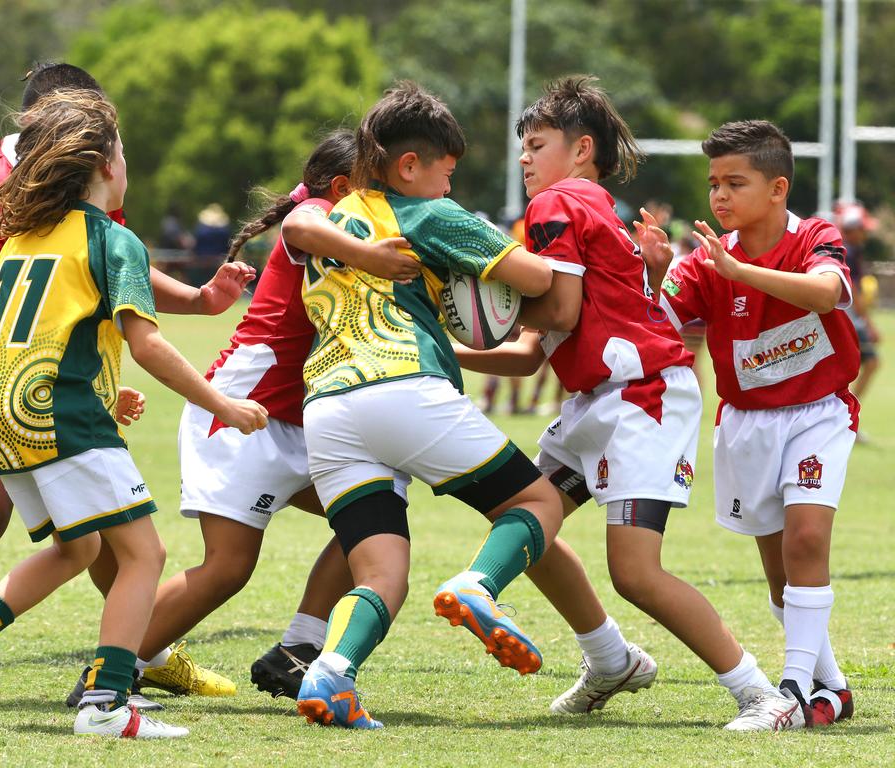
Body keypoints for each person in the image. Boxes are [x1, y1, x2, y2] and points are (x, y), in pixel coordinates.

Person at [0, 63, 239, 715]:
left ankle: (133, 651)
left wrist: (198, 301)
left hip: (39, 374)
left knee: (89, 535)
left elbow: (103, 266)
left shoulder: (64, 192)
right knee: (2, 514)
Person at [458, 77, 801, 731]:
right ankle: (608, 658)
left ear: (581, 149)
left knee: (636, 573)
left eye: (537, 144)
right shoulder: (595, 208)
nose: (524, 158)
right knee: (527, 520)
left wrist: (486, 289)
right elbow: (536, 350)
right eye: (521, 147)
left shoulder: (559, 203)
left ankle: (762, 694)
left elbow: (553, 309)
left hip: (640, 398)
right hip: (599, 398)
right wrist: (449, 354)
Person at [64, 129, 422, 708]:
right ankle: (108, 675)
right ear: (342, 186)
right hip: (240, 416)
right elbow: (305, 221)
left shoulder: (355, 224)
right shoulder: (322, 213)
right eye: (377, 186)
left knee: (376, 516)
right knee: (228, 567)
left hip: (295, 423)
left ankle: (297, 651)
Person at [280, 81, 576, 730]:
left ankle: (330, 674)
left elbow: (295, 225)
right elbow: (536, 279)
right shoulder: (429, 215)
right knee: (538, 502)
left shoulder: (339, 218)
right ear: (410, 166)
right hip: (401, 388)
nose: (449, 187)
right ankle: (478, 586)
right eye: (447, 173)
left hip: (327, 409)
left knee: (382, 572)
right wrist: (482, 261)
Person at [647, 120, 859, 727]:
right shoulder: (706, 258)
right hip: (747, 422)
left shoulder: (815, 236)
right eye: (713, 183)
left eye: (734, 183)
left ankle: (789, 692)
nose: (718, 196)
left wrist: (739, 274)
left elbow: (825, 293)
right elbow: (656, 320)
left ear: (777, 188)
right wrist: (656, 271)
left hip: (820, 412)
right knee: (779, 574)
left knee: (807, 542)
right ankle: (832, 686)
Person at [836, 203, 881, 437]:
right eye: (862, 228)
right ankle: (844, 419)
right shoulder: (848, 252)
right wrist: (870, 324)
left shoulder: (850, 250)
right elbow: (853, 290)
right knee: (870, 364)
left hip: (849, 320)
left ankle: (844, 417)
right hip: (850, 321)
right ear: (852, 229)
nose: (865, 233)